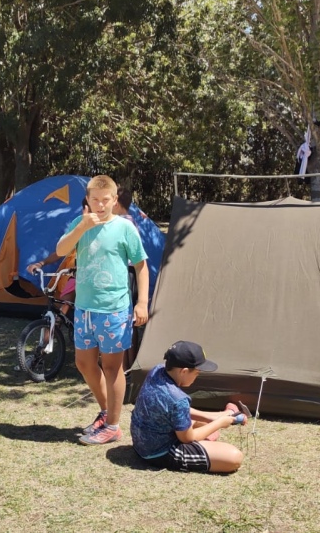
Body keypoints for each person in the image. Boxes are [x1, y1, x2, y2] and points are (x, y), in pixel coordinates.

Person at [56, 175, 149, 445]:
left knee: (111, 368)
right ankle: (106, 411)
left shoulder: (124, 228)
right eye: (94, 200)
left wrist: (142, 302)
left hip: (113, 310)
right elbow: (61, 248)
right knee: (84, 363)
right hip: (84, 309)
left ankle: (113, 425)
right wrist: (82, 227)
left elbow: (141, 266)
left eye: (105, 200)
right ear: (87, 200)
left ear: (114, 200)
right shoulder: (81, 224)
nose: (99, 205)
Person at [130, 340, 246, 473]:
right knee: (234, 458)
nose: (197, 377)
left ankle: (218, 418)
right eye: (197, 373)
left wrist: (211, 417)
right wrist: (220, 422)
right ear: (184, 371)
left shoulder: (157, 371)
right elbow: (187, 438)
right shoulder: (178, 398)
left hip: (141, 442)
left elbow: (172, 408)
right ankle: (214, 428)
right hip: (159, 453)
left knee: (200, 424)